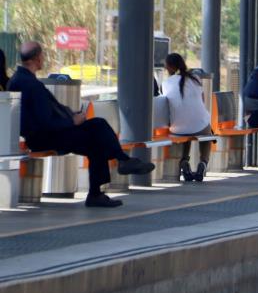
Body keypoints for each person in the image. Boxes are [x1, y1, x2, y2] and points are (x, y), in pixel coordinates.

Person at [8, 41, 154, 207]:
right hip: (45, 137)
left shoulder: (20, 79)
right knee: (98, 126)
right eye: (42, 56)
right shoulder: (30, 84)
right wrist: (72, 120)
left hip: (45, 134)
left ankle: (100, 189)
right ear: (37, 58)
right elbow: (45, 121)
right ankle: (120, 163)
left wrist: (72, 117)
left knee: (96, 139)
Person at [161, 53, 213, 182]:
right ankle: (203, 163)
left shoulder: (166, 83)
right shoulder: (195, 79)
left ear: (169, 67)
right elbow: (202, 101)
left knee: (185, 132)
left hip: (178, 128)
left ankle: (184, 160)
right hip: (200, 125)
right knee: (207, 134)